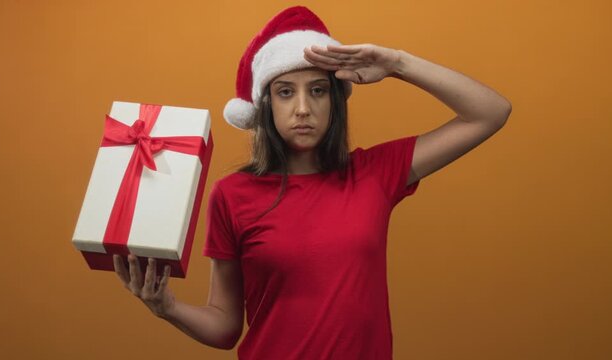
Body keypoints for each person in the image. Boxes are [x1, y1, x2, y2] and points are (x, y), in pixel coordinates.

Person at [112, 5, 512, 359]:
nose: (303, 109)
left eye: (318, 91)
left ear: (334, 101)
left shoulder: (375, 173)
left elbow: (490, 113)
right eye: (286, 92)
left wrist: (397, 63)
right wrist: (167, 307)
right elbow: (225, 326)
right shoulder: (232, 195)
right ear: (266, 107)